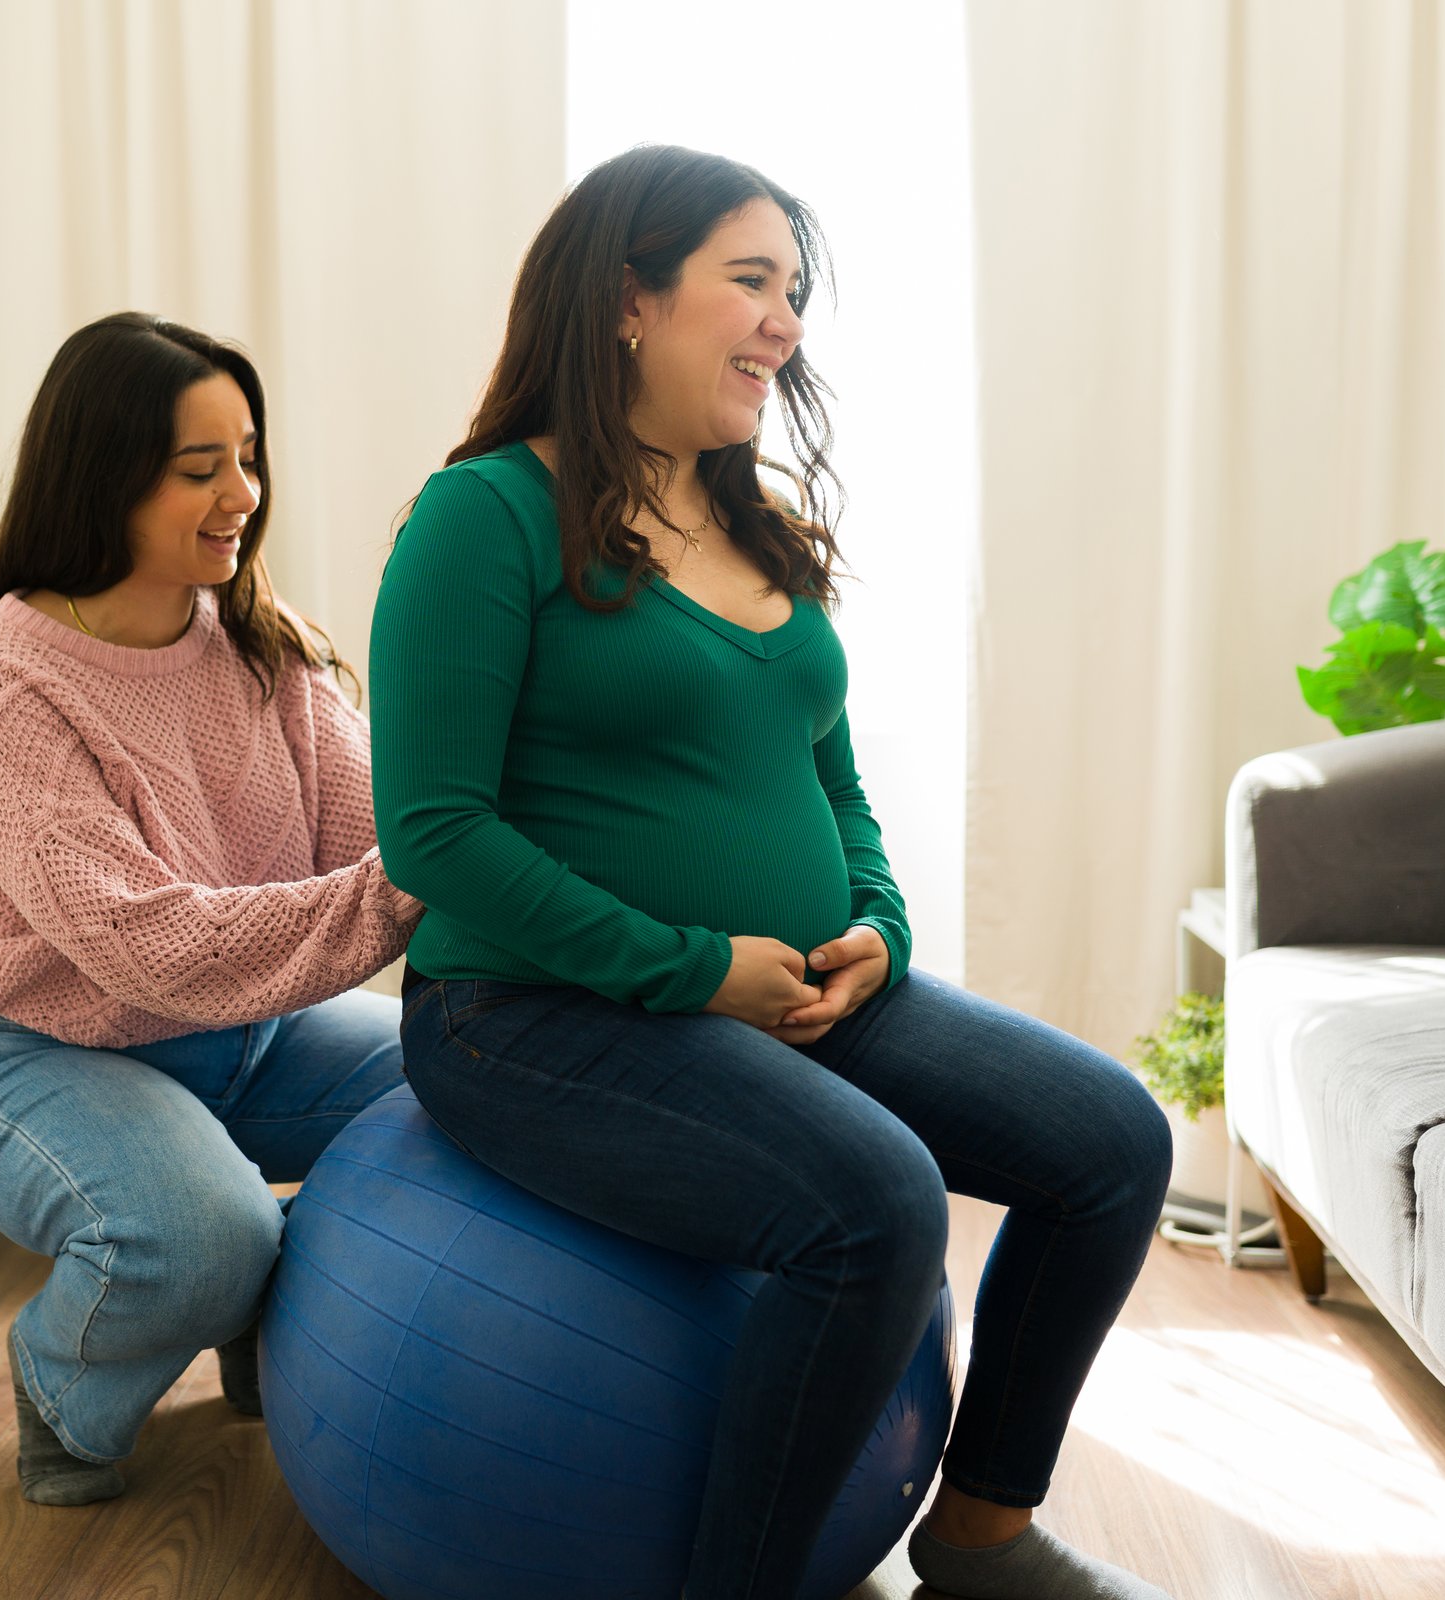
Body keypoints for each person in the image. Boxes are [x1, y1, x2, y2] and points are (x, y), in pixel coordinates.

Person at [370, 146, 1176, 1600]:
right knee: (877, 1203)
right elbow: (436, 834)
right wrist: (691, 969)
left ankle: (983, 1533)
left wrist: (879, 920)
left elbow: (834, 780)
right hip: (538, 1016)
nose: (786, 324)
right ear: (628, 299)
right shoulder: (481, 518)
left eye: (793, 293)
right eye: (752, 282)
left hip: (802, 988)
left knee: (1113, 1142)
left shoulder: (756, 522)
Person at [0, 312, 421, 1507]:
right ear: (104, 478)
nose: (242, 492)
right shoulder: (3, 683)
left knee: (473, 1074)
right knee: (208, 1236)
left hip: (250, 1033)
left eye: (247, 455)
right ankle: (62, 1383)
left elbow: (380, 837)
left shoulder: (261, 638)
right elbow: (150, 946)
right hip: (36, 1052)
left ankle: (273, 1323)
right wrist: (428, 871)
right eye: (202, 468)